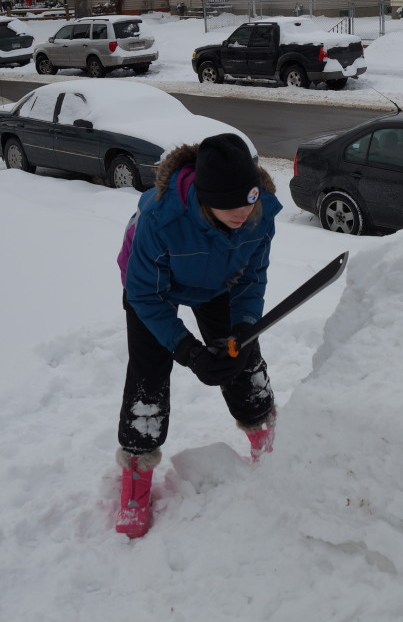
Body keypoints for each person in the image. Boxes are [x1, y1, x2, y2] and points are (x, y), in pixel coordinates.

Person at [113, 133, 282, 539]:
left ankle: (269, 444)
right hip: (153, 287)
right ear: (206, 200)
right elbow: (144, 294)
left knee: (242, 357)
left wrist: (243, 325)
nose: (244, 211)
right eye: (231, 204)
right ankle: (136, 476)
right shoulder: (161, 217)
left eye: (250, 199)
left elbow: (252, 277)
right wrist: (189, 351)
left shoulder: (260, 215)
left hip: (218, 284)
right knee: (148, 376)